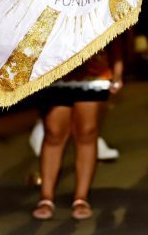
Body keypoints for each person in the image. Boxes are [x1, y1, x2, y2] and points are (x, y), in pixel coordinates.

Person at [32, 44, 123, 220]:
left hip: (93, 70)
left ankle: (81, 198)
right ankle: (46, 198)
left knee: (87, 132)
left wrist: (118, 70)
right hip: (55, 67)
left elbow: (115, 29)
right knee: (53, 132)